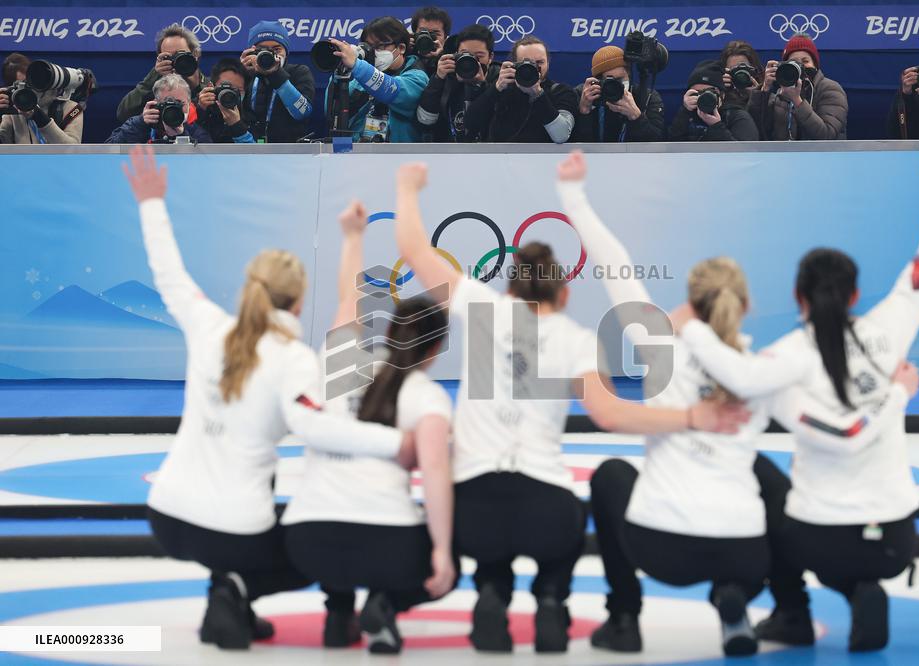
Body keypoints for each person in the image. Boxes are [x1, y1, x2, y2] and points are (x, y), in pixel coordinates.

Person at [554, 151, 917, 657]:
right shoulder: (765, 366)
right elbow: (836, 417)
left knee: (611, 476)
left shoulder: (661, 347)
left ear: (691, 304)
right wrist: (895, 390)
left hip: (661, 549)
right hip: (743, 554)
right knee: (772, 479)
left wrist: (573, 194)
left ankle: (624, 619)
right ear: (746, 306)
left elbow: (615, 266)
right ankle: (785, 607)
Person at [392, 161, 750, 654]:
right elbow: (610, 416)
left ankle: (492, 592)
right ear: (564, 292)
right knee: (566, 520)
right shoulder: (578, 340)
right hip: (546, 510)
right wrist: (691, 417)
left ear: (509, 285)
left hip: (473, 508)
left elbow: (412, 249)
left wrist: (406, 188)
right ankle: (551, 600)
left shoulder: (480, 307)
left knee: (481, 525)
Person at [669, 143, 919, 652]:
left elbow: (738, 375)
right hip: (893, 539)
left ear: (796, 297)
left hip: (818, 542)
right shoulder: (891, 329)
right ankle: (862, 589)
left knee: (759, 480)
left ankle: (793, 614)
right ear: (854, 295)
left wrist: (690, 330)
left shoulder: (785, 360)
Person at [121, 144, 414, 651]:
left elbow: (168, 274)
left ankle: (229, 597)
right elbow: (317, 427)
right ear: (299, 300)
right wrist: (397, 444)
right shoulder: (293, 358)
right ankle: (233, 589)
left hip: (166, 516)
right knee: (314, 549)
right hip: (234, 529)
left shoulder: (209, 326)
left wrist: (150, 202)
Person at [283, 201, 456, 655]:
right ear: (435, 349)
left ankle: (339, 611)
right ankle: (384, 602)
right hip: (387, 540)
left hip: (309, 539)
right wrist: (441, 552)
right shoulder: (426, 396)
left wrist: (354, 237)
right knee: (450, 552)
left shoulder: (342, 363)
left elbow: (348, 301)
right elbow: (436, 478)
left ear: (389, 328)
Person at [326, 17, 429, 143]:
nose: (374, 52)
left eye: (380, 46)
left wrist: (356, 65)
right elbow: (331, 112)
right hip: (355, 155)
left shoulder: (417, 78)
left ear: (401, 48)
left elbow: (391, 90)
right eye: (369, 46)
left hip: (398, 157)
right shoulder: (358, 78)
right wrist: (339, 73)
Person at [464, 35, 576, 143]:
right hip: (499, 160)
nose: (533, 68)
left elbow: (561, 135)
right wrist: (496, 89)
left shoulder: (561, 92)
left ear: (548, 62)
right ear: (514, 63)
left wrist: (538, 94)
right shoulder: (501, 90)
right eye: (525, 63)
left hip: (544, 161)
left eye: (539, 62)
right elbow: (470, 125)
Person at [751, 34, 848, 140]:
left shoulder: (830, 89)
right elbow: (758, 130)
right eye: (794, 62)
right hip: (786, 155)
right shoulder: (781, 93)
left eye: (805, 61)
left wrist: (797, 101)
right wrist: (765, 89)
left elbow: (827, 135)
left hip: (823, 155)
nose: (800, 66)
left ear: (815, 65)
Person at [416, 23, 499, 142]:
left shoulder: (499, 81)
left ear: (490, 57)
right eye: (465, 55)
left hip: (490, 153)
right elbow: (425, 121)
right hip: (449, 153)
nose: (472, 61)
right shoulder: (447, 77)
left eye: (479, 56)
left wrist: (481, 86)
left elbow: (500, 125)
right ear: (456, 54)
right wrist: (438, 80)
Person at [240, 21, 315, 143]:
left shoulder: (299, 72)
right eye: (262, 50)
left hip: (290, 152)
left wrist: (276, 75)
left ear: (286, 51)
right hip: (251, 151)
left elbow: (302, 112)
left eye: (276, 49)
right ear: (251, 52)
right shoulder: (245, 74)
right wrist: (241, 73)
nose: (270, 55)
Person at [117, 24, 209, 124]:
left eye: (181, 54)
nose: (177, 61)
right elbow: (123, 113)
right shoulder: (157, 88)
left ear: (196, 54)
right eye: (169, 57)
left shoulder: (208, 89)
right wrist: (154, 75)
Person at [573, 46, 663, 142]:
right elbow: (571, 144)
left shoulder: (646, 96)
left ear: (629, 75)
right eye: (610, 81)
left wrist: (636, 116)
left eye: (620, 80)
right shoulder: (585, 95)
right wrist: (584, 112)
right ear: (598, 81)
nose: (615, 85)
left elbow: (657, 142)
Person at [0, 54, 84, 144]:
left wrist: (40, 118)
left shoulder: (70, 108)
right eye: (19, 86)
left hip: (58, 158)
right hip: (23, 158)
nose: (26, 89)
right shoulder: (12, 109)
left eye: (28, 83)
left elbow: (73, 150)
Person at [106, 74, 212, 144]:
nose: (174, 108)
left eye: (180, 103)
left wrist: (181, 136)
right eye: (166, 103)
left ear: (189, 104)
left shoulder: (197, 133)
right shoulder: (138, 125)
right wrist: (141, 123)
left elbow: (204, 163)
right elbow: (108, 151)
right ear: (156, 103)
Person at [668, 60, 758, 141]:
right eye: (697, 92)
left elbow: (745, 154)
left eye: (709, 92)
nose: (704, 96)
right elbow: (672, 148)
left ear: (722, 95)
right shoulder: (688, 115)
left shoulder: (736, 117)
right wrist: (684, 112)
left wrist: (716, 126)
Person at [196, 58, 254, 144]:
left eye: (236, 90)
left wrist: (237, 126)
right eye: (224, 87)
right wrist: (200, 112)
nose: (229, 94)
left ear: (245, 91)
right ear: (211, 86)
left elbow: (255, 152)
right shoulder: (201, 106)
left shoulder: (251, 115)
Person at [719, 40, 764, 114]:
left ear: (754, 69)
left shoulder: (766, 94)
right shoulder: (720, 95)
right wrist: (722, 91)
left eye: (742, 68)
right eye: (733, 69)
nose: (739, 74)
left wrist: (757, 97)